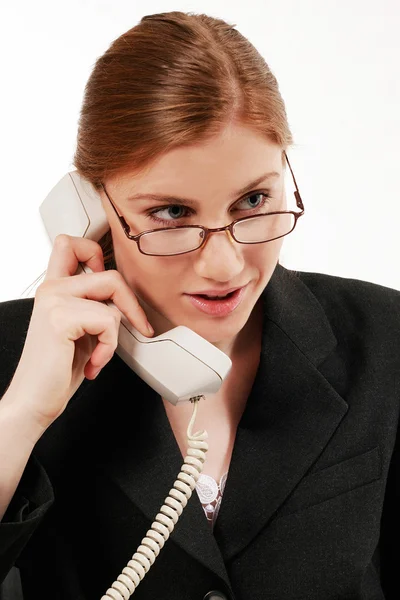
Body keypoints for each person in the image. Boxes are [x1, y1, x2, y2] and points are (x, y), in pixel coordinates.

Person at [0, 10, 399, 600]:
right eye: (171, 213)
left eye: (254, 200)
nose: (225, 266)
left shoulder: (385, 338)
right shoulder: (12, 357)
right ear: (89, 205)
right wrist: (20, 418)